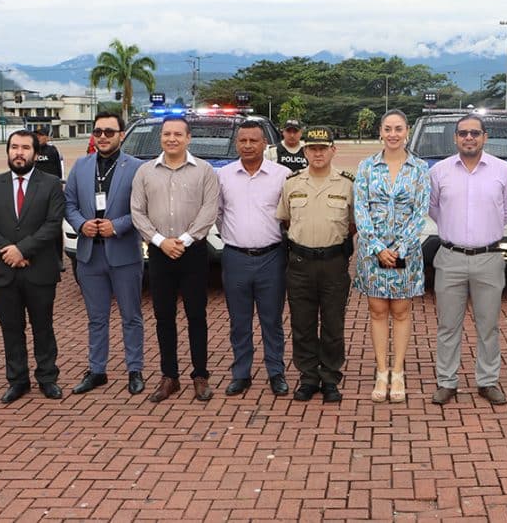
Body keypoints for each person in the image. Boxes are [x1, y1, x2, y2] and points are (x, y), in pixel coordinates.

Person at [429, 115, 507, 406]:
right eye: (463, 133)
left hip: (489, 258)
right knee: (448, 325)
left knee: (488, 324)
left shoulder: (502, 170)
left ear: (485, 137)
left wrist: (484, 231)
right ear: (455, 138)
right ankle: (447, 382)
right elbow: (434, 209)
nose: (469, 138)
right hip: (450, 257)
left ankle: (488, 381)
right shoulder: (440, 171)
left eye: (475, 133)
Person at [131, 116, 220, 402]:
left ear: (188, 138)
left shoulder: (204, 171)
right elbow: (137, 212)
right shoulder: (145, 172)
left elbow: (210, 210)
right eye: (167, 134)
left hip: (192, 250)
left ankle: (200, 375)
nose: (172, 139)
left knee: (196, 314)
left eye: (178, 134)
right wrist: (159, 241)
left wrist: (185, 240)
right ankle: (170, 376)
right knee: (163, 316)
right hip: (158, 251)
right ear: (161, 138)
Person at [0, 129, 66, 403]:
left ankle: (47, 378)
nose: (19, 152)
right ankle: (17, 380)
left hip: (39, 270)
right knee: (11, 328)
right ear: (7, 152)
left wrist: (23, 249)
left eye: (25, 148)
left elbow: (53, 224)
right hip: (4, 272)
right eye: (14, 147)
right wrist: (9, 252)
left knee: (43, 327)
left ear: (35, 154)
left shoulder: (51, 184)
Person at [64, 112, 146, 396]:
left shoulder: (137, 167)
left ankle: (135, 370)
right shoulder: (81, 166)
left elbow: (142, 209)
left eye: (109, 132)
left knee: (131, 316)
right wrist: (80, 224)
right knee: (96, 318)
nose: (102, 137)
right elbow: (69, 203)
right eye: (98, 131)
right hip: (89, 255)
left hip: (124, 254)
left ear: (121, 135)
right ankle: (97, 370)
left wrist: (118, 226)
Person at [353, 109, 430, 403]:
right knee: (376, 310)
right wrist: (377, 247)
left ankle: (397, 371)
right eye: (388, 129)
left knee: (400, 311)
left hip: (405, 252)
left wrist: (399, 247)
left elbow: (421, 211)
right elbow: (360, 210)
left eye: (399, 128)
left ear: (407, 131)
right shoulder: (367, 167)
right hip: (373, 253)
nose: (393, 134)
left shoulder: (420, 168)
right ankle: (381, 370)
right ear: (380, 132)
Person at [276, 125, 355, 403]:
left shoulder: (348, 184)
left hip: (334, 262)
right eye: (312, 148)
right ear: (305, 150)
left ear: (333, 150)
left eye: (323, 148)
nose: (318, 153)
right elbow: (285, 220)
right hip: (300, 263)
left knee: (333, 324)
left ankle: (331, 378)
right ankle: (308, 377)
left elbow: (354, 224)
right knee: (303, 324)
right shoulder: (292, 183)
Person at [216, 120, 290, 397]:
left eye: (253, 141)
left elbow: (288, 216)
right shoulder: (223, 175)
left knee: (272, 320)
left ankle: (276, 372)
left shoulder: (281, 175)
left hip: (271, 257)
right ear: (237, 144)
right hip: (235, 257)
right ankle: (241, 373)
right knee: (239, 320)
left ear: (265, 145)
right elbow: (218, 213)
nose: (247, 145)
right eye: (243, 141)